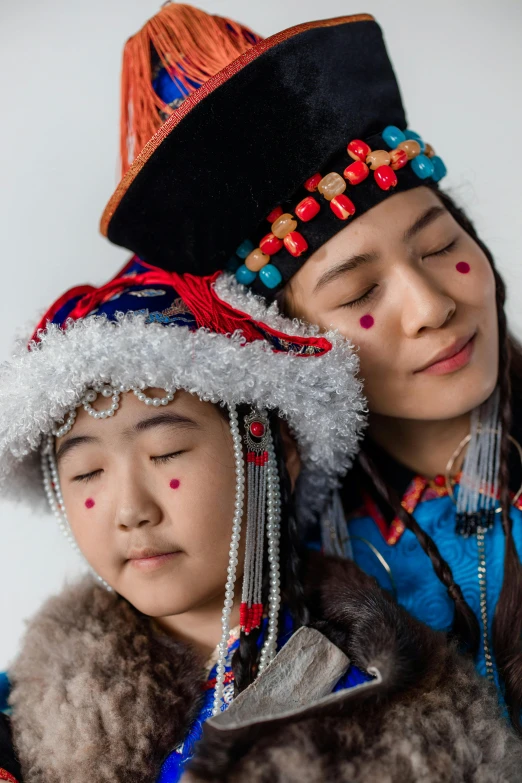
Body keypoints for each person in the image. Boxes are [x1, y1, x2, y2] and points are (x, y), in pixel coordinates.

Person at [100, 8, 522, 728]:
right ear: (292, 345)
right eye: (360, 292)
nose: (430, 306)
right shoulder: (276, 564)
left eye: (438, 245)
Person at [1, 257, 521, 782]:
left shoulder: (385, 698)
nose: (132, 511)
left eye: (166, 453)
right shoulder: (31, 704)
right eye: (87, 472)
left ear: (278, 452)